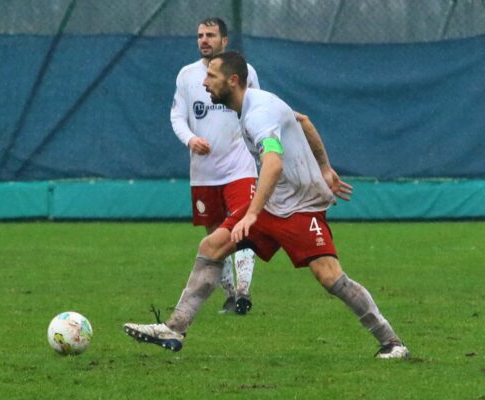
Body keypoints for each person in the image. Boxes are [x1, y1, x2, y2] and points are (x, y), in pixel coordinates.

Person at [125, 51, 409, 359]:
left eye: (211, 77)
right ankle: (175, 327)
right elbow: (303, 121)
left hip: (300, 206)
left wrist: (253, 212)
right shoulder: (256, 103)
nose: (204, 82)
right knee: (212, 246)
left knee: (329, 276)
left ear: (233, 80)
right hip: (274, 203)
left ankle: (392, 342)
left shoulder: (257, 114)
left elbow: (272, 164)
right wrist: (325, 168)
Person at [170, 17, 260, 314]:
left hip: (240, 167)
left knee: (241, 228)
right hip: (205, 171)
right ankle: (231, 295)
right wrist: (191, 139)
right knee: (214, 234)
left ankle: (245, 293)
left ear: (225, 41)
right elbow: (177, 116)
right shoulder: (186, 76)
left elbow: (256, 112)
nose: (203, 40)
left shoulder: (245, 74)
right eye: (200, 35)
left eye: (210, 35)